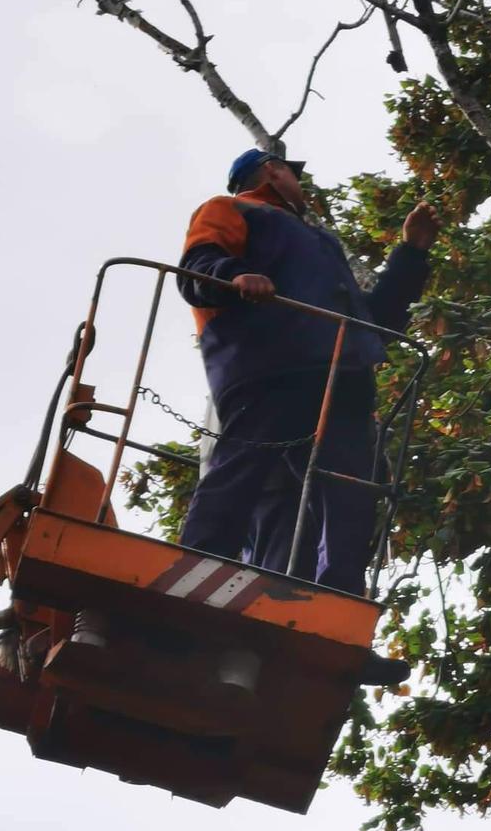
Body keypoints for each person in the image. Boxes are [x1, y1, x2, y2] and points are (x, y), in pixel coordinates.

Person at [176, 149, 439, 686]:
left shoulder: (320, 244)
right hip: (270, 367)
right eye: (293, 172)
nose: (300, 181)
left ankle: (336, 621)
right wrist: (237, 275)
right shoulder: (232, 209)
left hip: (339, 378)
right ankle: (191, 583)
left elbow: (374, 321)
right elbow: (196, 267)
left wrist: (410, 255)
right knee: (241, 475)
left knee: (348, 498)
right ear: (271, 170)